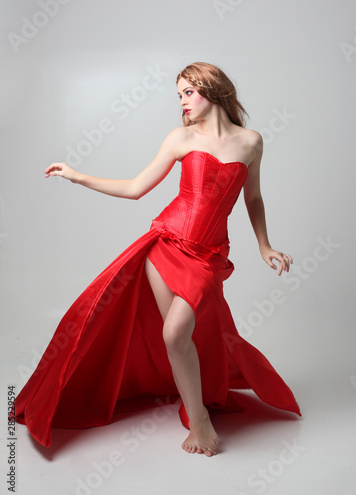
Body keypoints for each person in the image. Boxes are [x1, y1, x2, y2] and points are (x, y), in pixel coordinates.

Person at [13, 62, 301, 458]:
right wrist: (78, 176)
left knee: (178, 335)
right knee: (176, 337)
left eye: (188, 92)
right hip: (166, 244)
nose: (183, 102)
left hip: (208, 255)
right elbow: (135, 188)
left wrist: (265, 246)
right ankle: (198, 419)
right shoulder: (179, 139)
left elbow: (253, 197)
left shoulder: (251, 142)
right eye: (179, 94)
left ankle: (197, 409)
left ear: (213, 90)